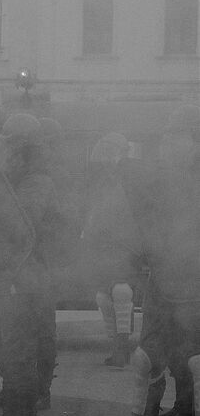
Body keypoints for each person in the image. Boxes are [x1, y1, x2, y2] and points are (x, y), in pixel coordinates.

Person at [108, 104, 200, 416]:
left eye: (175, 134)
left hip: (195, 284)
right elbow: (149, 225)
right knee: (147, 360)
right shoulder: (163, 177)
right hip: (163, 280)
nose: (166, 142)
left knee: (197, 364)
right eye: (167, 135)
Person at [0, 113, 61, 416]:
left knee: (20, 354)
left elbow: (23, 220)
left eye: (10, 144)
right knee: (6, 350)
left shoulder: (38, 179)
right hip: (7, 271)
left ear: (23, 147)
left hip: (26, 275)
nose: (5, 150)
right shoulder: (14, 175)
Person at [81, 132, 142, 369]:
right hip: (105, 246)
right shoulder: (104, 179)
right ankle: (117, 348)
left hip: (123, 245)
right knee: (105, 298)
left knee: (120, 293)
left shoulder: (128, 177)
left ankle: (122, 350)